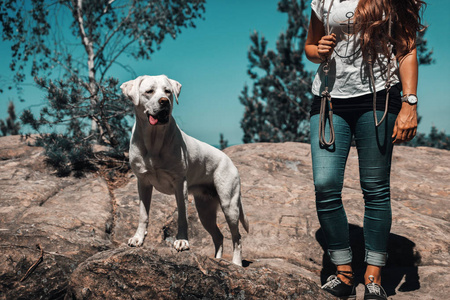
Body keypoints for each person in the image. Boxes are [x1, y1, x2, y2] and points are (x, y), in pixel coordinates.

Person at [305, 0, 425, 299]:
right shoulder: (322, 0)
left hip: (379, 98)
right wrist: (318, 51)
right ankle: (344, 271)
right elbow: (309, 46)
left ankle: (374, 274)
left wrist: (410, 103)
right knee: (325, 184)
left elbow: (407, 51)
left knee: (374, 188)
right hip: (329, 98)